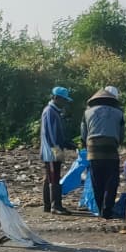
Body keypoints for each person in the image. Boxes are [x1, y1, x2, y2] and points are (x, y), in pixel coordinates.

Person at [83, 86, 125, 218]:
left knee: (97, 181)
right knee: (111, 181)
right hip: (111, 149)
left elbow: (83, 134)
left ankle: (101, 208)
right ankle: (107, 210)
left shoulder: (87, 113)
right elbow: (121, 134)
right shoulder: (119, 113)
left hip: (93, 150)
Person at [40, 86, 75, 215]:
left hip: (54, 148)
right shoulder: (50, 111)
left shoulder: (55, 111)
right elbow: (50, 133)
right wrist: (56, 150)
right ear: (55, 98)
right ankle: (55, 205)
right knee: (54, 177)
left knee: (50, 177)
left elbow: (57, 134)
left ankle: (48, 205)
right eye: (63, 100)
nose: (65, 103)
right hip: (52, 150)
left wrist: (67, 143)